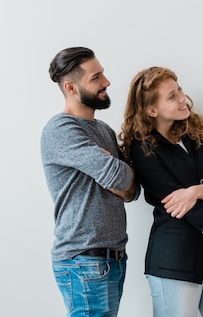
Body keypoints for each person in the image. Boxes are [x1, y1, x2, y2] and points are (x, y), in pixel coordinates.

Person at [119, 66, 203, 317]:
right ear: (152, 110)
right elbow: (178, 206)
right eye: (172, 96)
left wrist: (196, 191)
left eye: (179, 89)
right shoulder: (142, 148)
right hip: (174, 256)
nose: (182, 98)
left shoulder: (197, 130)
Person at [41, 47, 137, 317]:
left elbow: (131, 190)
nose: (106, 82)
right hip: (83, 260)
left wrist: (113, 169)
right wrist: (115, 172)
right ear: (71, 87)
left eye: (103, 74)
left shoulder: (104, 131)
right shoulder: (62, 129)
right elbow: (120, 177)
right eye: (96, 77)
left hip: (113, 258)